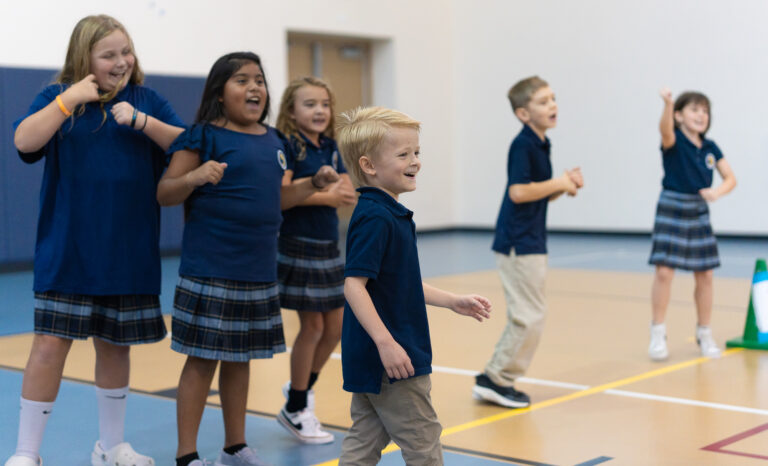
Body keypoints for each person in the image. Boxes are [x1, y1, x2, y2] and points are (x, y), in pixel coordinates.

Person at [5, 14, 185, 466]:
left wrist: (143, 121)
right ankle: (27, 452)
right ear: (84, 57)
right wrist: (69, 101)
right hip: (68, 251)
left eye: (126, 52)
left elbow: (188, 144)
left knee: (115, 347)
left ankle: (111, 446)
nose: (122, 62)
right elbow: (24, 142)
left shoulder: (147, 99)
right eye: (109, 55)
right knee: (48, 346)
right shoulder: (58, 97)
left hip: (127, 252)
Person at [156, 52, 339, 466]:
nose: (255, 87)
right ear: (220, 93)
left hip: (258, 270)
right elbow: (165, 193)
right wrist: (194, 177)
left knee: (240, 360)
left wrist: (313, 183)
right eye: (242, 80)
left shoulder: (275, 141)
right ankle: (187, 454)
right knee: (202, 361)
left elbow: (278, 199)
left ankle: (234, 446)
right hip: (211, 268)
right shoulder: (201, 136)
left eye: (259, 79)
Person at [336, 106, 492, 465]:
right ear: (369, 166)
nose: (415, 161)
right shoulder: (377, 217)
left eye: (417, 152)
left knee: (364, 442)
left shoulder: (387, 212)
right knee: (424, 443)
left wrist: (453, 301)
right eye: (403, 154)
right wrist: (387, 343)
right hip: (395, 359)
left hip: (375, 359)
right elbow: (353, 286)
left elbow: (399, 283)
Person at [472, 76, 583, 409]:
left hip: (530, 238)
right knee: (529, 316)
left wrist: (562, 186)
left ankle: (497, 377)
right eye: (543, 101)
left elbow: (537, 196)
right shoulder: (524, 144)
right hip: (518, 242)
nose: (552, 106)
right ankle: (496, 378)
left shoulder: (540, 142)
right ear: (523, 113)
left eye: (553, 98)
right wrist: (558, 181)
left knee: (530, 313)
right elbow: (518, 192)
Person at [274, 77, 356, 444]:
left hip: (328, 247)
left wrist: (346, 193)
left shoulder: (332, 147)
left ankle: (301, 388)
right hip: (298, 245)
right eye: (309, 104)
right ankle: (295, 407)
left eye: (324, 103)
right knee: (313, 329)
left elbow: (343, 188)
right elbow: (282, 196)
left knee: (336, 329)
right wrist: (326, 195)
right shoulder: (289, 146)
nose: (320, 110)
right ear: (291, 111)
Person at [647, 88, 737, 361]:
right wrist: (667, 105)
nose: (701, 115)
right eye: (694, 109)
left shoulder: (710, 148)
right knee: (665, 271)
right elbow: (664, 130)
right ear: (679, 116)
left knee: (706, 274)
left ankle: (704, 332)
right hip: (672, 204)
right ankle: (658, 331)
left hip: (698, 210)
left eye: (705, 111)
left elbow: (730, 178)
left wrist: (716, 193)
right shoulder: (673, 141)